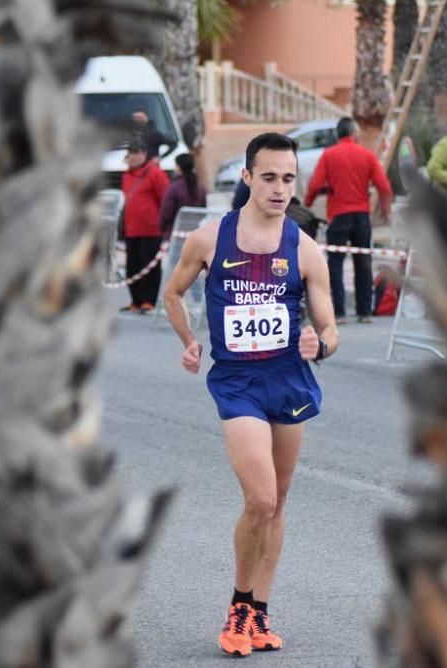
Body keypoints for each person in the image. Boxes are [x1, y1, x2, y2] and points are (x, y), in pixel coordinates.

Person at [162, 132, 339, 657]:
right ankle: (239, 605)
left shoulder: (305, 250)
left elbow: (330, 329)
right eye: (269, 177)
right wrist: (190, 341)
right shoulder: (210, 239)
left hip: (288, 381)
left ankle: (259, 615)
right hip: (237, 383)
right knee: (259, 497)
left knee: (278, 502)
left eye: (288, 178)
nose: (280, 188)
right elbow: (172, 292)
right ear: (246, 178)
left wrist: (319, 344)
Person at [305, 117, 393, 324]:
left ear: (338, 135)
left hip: (338, 217)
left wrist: (307, 203)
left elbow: (315, 183)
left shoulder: (329, 155)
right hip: (361, 217)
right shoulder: (368, 156)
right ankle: (364, 312)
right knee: (363, 262)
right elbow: (384, 186)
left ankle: (340, 312)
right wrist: (386, 210)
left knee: (335, 263)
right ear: (354, 134)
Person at [121, 137, 169, 313]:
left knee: (149, 266)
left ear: (144, 154)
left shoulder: (156, 174)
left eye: (136, 153)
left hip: (151, 229)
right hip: (131, 228)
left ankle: (149, 300)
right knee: (132, 266)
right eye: (130, 153)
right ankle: (136, 300)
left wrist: (163, 222)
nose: (132, 156)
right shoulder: (126, 175)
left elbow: (165, 199)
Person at [159, 153, 208, 239]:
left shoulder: (173, 188)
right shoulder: (200, 187)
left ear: (179, 167)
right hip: (194, 232)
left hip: (175, 233)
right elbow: (203, 211)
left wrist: (163, 228)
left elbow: (166, 212)